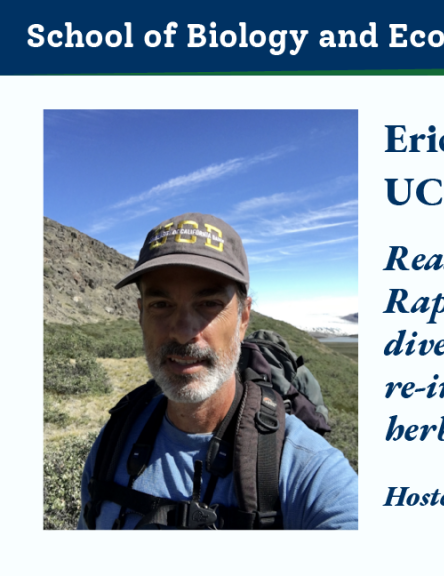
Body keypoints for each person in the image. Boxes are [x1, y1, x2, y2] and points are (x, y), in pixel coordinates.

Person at [77, 213, 358, 530]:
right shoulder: (114, 439)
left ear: (243, 318)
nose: (183, 332)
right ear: (141, 315)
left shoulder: (305, 466)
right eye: (161, 305)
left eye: (208, 303)